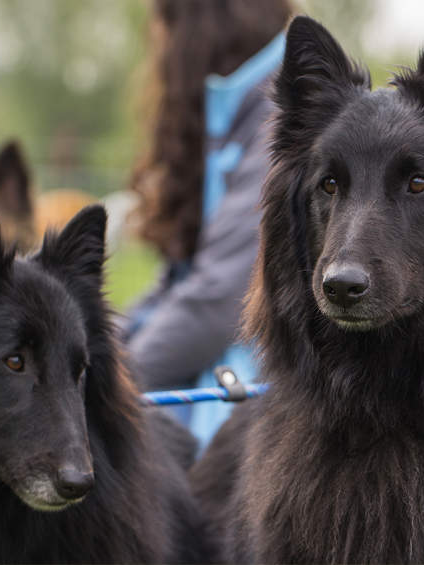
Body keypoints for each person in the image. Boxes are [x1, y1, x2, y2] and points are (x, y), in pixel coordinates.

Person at [124, 0, 292, 448]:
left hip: (247, 424)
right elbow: (178, 283)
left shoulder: (283, 117)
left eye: (163, 27)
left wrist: (105, 385)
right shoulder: (232, 110)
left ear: (199, 29)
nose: (158, 47)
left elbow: (216, 304)